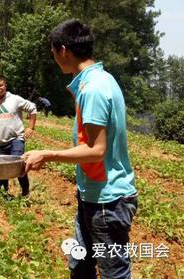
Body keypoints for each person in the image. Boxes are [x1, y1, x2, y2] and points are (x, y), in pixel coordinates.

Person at [22, 19, 138, 279]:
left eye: (52, 52)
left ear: (63, 50)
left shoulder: (94, 88)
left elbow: (96, 150)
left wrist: (48, 154)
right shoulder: (94, 81)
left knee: (113, 274)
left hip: (107, 202)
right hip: (92, 196)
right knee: (80, 266)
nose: (53, 57)